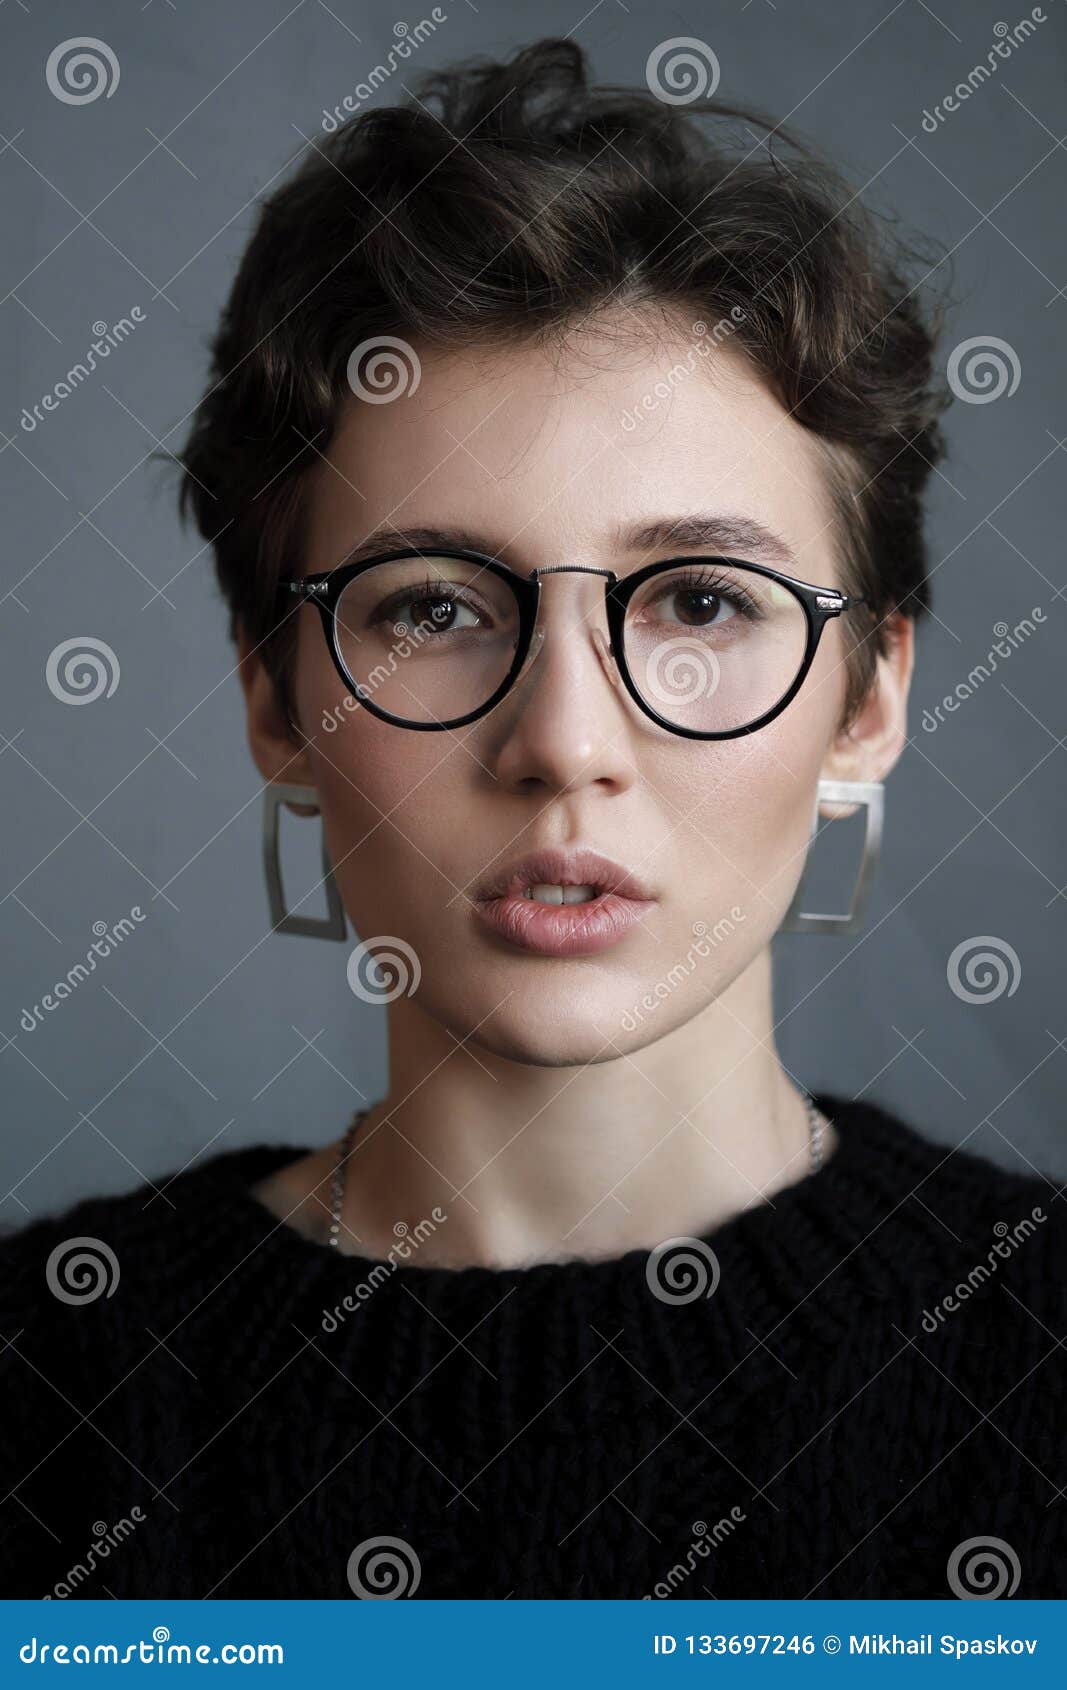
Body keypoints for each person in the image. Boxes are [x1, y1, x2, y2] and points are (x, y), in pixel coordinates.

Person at [2, 38, 1062, 1602]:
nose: (566, 742)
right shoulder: (52, 1395)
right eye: (434, 605)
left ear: (870, 694)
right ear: (275, 699)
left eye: (704, 598)